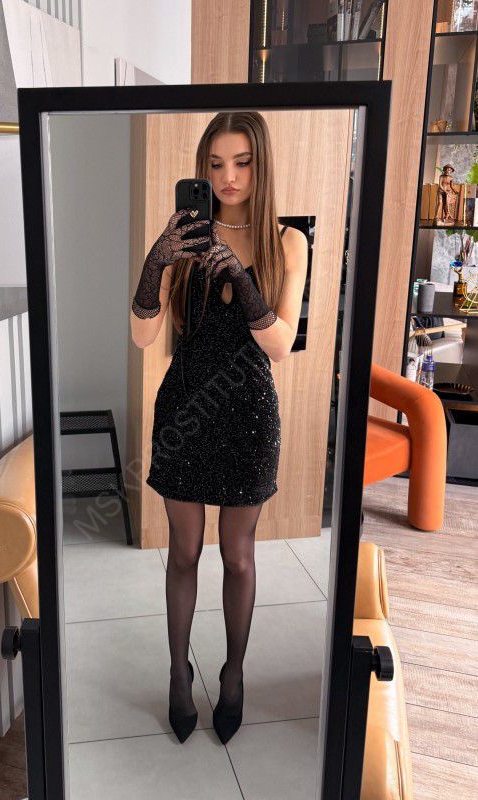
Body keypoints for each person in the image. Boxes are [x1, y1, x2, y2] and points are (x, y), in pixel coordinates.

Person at [130, 111, 307, 744]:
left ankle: (233, 674)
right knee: (183, 551)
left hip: (249, 415)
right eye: (215, 164)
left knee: (238, 555)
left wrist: (237, 273)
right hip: (185, 411)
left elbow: (280, 345)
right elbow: (143, 335)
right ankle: (178, 673)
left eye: (242, 162)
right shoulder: (185, 235)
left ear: (261, 165)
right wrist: (156, 262)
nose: (228, 176)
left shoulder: (288, 242)